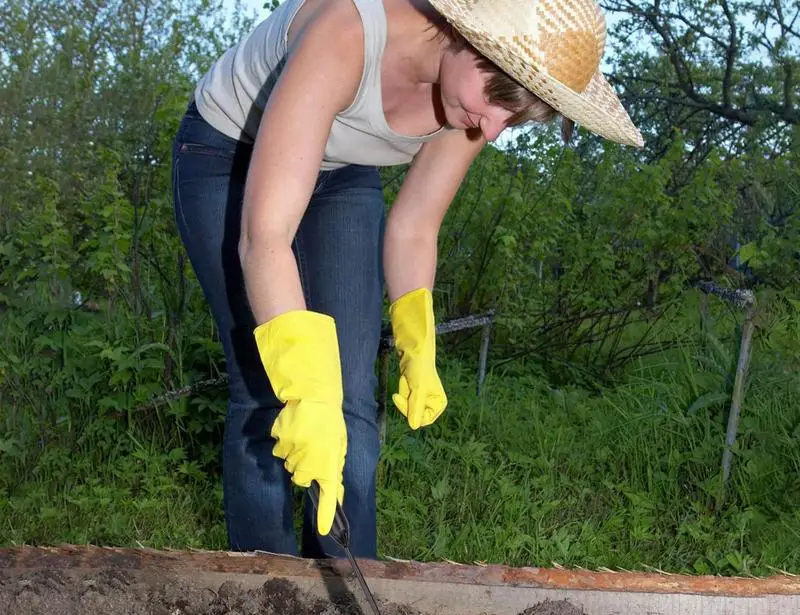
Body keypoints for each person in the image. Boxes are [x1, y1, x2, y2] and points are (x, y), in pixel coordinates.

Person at [171, 0, 643, 560]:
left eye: (512, 120)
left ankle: (349, 594)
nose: (491, 130)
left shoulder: (467, 101)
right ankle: (264, 597)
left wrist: (418, 343)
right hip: (228, 154)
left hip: (342, 170)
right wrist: (303, 391)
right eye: (497, 102)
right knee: (271, 392)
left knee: (350, 399)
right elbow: (265, 239)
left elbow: (416, 225)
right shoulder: (348, 32)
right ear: (468, 38)